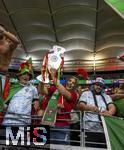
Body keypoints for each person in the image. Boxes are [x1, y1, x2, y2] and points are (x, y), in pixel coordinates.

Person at [38, 70, 78, 145]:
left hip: (62, 126)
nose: (71, 84)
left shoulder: (74, 94)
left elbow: (64, 92)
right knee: (43, 147)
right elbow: (42, 91)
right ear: (66, 81)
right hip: (47, 122)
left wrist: (53, 77)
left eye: (73, 83)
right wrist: (42, 79)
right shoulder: (55, 90)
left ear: (75, 86)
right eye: (69, 81)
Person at [78, 77, 116, 148]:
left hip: (103, 130)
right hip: (88, 129)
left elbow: (112, 107)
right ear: (93, 85)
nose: (99, 87)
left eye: (101, 86)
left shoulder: (106, 96)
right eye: (97, 85)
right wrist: (90, 108)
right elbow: (80, 105)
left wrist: (109, 113)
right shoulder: (86, 94)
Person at [2, 61, 39, 125]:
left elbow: (36, 102)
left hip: (24, 121)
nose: (26, 76)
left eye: (28, 75)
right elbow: (7, 101)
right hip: (9, 119)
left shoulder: (33, 89)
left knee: (21, 135)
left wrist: (37, 105)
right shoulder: (12, 87)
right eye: (24, 74)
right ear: (19, 76)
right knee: (7, 135)